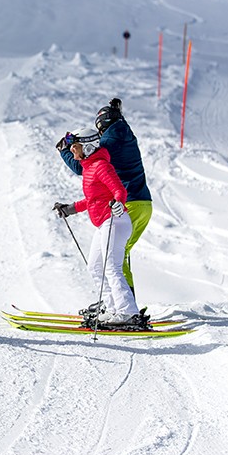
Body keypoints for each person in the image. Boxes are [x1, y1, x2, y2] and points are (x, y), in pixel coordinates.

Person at [56, 98, 151, 295]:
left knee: (115, 258)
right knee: (119, 255)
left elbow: (81, 166)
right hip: (143, 203)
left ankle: (126, 308)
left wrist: (65, 149)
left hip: (127, 203)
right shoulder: (126, 134)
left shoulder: (108, 143)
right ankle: (119, 303)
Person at [53, 128, 143, 327]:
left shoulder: (102, 166)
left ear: (88, 146)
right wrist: (70, 209)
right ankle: (113, 308)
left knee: (112, 267)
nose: (73, 152)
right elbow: (92, 199)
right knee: (94, 266)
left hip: (115, 221)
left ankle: (128, 312)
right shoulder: (89, 168)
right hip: (104, 224)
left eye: (75, 147)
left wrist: (119, 202)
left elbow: (119, 190)